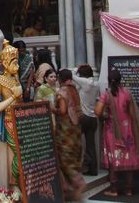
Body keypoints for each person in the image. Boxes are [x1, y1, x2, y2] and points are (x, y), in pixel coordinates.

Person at [94, 69, 139, 197]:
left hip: (112, 132)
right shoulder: (127, 93)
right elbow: (132, 115)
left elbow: (98, 112)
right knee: (128, 157)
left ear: (108, 80)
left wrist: (107, 115)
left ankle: (114, 190)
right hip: (127, 130)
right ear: (120, 80)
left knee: (114, 159)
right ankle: (129, 189)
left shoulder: (106, 94)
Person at [0, 41, 23, 182]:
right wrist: (13, 97)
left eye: (17, 63)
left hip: (20, 119)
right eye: (14, 63)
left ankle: (20, 181)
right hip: (9, 120)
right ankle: (13, 181)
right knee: (19, 152)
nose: (18, 66)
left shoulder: (16, 79)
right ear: (5, 63)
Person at [55, 69, 86, 201]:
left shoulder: (63, 91)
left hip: (65, 129)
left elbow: (62, 111)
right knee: (73, 155)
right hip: (75, 128)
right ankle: (68, 188)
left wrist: (50, 108)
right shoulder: (74, 89)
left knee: (64, 157)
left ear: (60, 78)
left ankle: (78, 183)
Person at [73, 64, 100, 176]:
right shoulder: (95, 83)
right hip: (93, 118)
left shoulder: (84, 82)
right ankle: (93, 169)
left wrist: (77, 69)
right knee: (91, 145)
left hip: (83, 117)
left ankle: (80, 166)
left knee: (76, 142)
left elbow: (72, 74)